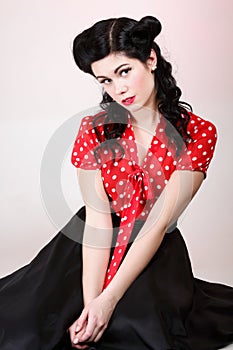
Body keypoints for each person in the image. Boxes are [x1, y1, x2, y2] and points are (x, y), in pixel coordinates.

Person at [0, 15, 232, 350]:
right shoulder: (93, 129)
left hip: (152, 246)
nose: (117, 88)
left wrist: (108, 302)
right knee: (27, 327)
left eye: (124, 72)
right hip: (89, 244)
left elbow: (158, 223)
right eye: (105, 80)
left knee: (135, 329)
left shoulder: (198, 133)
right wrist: (91, 303)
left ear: (150, 59)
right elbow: (96, 217)